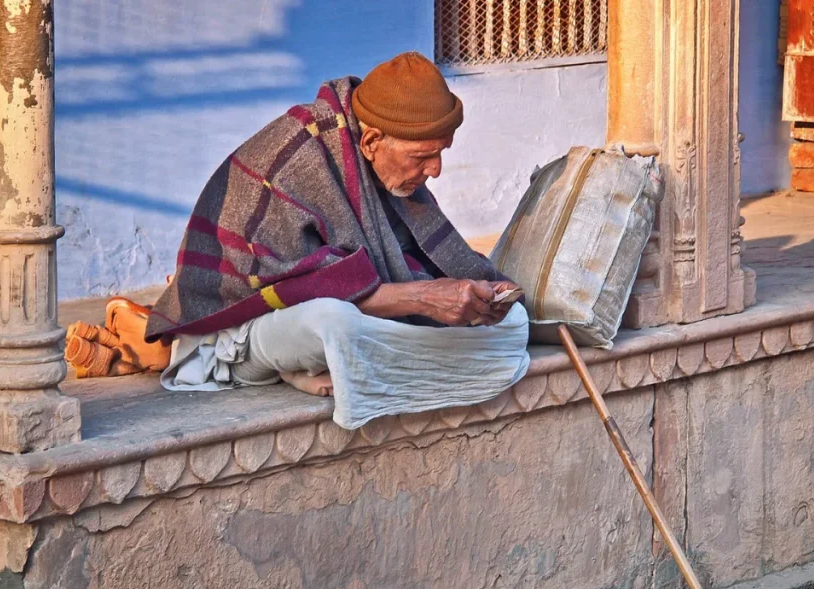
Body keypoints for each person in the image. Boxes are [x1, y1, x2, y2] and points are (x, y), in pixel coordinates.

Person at [67, 52, 531, 430]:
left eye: (442, 154)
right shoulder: (293, 158)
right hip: (249, 318)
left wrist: (480, 293)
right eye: (424, 157)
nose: (435, 171)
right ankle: (183, 348)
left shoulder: (378, 161)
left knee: (510, 329)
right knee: (333, 322)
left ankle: (169, 345)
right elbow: (286, 290)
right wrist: (426, 298)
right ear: (371, 141)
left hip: (308, 310)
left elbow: (427, 253)